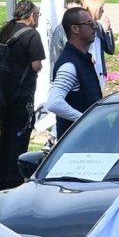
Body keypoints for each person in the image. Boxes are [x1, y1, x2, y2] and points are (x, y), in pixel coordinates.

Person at [0, 0, 44, 191]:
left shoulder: (2, 32)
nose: (37, 18)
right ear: (31, 16)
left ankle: (2, 178)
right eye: (37, 14)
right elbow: (36, 65)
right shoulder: (31, 34)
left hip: (2, 94)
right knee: (19, 137)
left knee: (5, 135)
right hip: (22, 95)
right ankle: (14, 180)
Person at [44, 8, 105, 139]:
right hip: (77, 142)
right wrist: (84, 120)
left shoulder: (82, 59)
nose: (95, 27)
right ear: (75, 29)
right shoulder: (69, 65)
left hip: (87, 139)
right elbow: (54, 103)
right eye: (89, 23)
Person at [83, 0, 115, 69]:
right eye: (100, 8)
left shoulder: (99, 27)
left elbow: (110, 50)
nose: (103, 11)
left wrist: (108, 30)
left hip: (99, 72)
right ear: (93, 9)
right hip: (87, 71)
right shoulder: (81, 27)